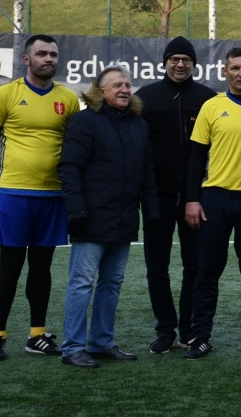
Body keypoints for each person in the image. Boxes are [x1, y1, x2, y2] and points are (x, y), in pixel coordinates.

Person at [0, 34, 80, 362]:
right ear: (26, 59)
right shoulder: (5, 95)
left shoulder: (68, 99)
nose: (49, 59)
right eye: (42, 53)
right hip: (14, 196)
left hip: (52, 197)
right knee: (10, 265)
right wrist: (4, 174)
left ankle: (37, 335)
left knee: (42, 266)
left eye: (53, 54)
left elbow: (75, 146)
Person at [57, 67, 159, 368]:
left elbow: (147, 172)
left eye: (128, 85)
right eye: (117, 85)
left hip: (124, 218)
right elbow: (69, 168)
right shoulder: (85, 122)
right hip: (90, 219)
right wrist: (76, 211)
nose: (125, 90)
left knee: (112, 282)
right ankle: (72, 348)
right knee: (82, 283)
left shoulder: (138, 125)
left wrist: (152, 211)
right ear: (100, 91)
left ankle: (101, 342)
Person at [183, 47, 241, 360]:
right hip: (215, 197)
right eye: (235, 68)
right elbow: (195, 158)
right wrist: (192, 199)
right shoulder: (211, 106)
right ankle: (200, 337)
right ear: (225, 72)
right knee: (207, 269)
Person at [135, 36, 216, 354]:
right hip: (156, 197)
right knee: (157, 266)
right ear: (165, 62)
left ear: (194, 64)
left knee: (194, 266)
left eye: (186, 59)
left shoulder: (208, 99)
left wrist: (197, 193)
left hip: (196, 199)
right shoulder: (146, 98)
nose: (180, 64)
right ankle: (165, 330)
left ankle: (189, 329)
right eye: (174, 59)